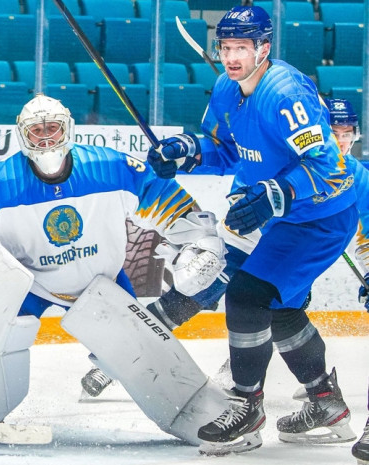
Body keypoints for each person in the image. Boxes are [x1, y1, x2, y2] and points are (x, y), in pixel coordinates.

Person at [0, 93, 231, 445]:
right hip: (29, 285)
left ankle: (193, 409)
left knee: (140, 350)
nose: (45, 138)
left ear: (69, 131)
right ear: (22, 135)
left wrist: (200, 239)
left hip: (101, 282)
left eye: (53, 128)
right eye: (36, 131)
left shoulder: (110, 167)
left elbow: (162, 195)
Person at [146, 6, 358, 455]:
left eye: (242, 47)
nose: (231, 57)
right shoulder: (226, 88)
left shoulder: (285, 93)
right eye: (225, 47)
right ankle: (326, 404)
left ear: (263, 47)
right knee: (276, 308)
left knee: (246, 295)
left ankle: (247, 406)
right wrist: (185, 151)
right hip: (289, 218)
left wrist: (276, 193)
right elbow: (225, 149)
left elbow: (332, 166)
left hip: (321, 217)